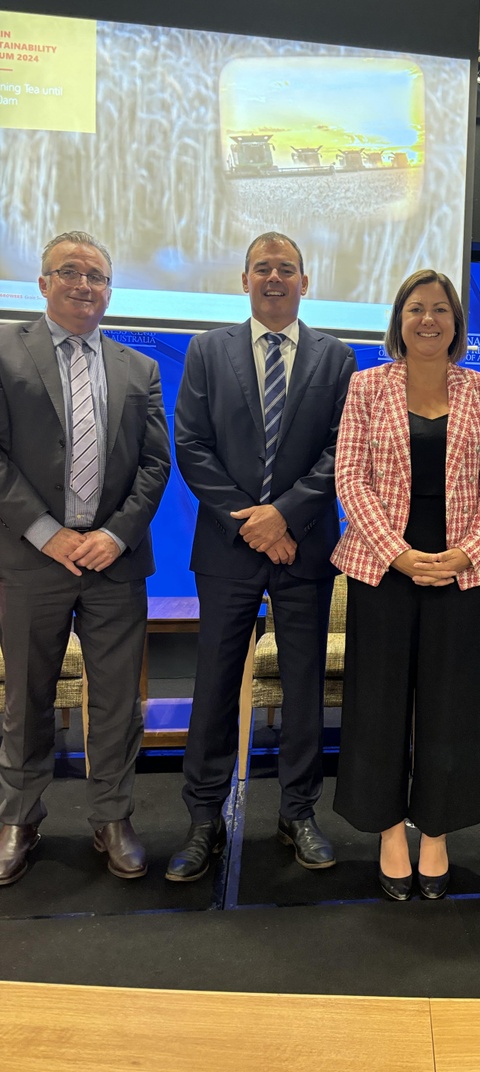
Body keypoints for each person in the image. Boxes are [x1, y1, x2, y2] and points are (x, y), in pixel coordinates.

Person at [167, 232, 356, 881]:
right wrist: (253, 521)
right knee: (215, 685)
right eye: (262, 268)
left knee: (303, 686)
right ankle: (203, 819)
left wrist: (285, 515)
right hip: (227, 547)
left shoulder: (337, 358)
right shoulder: (207, 351)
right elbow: (190, 444)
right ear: (244, 279)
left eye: (286, 269)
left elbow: (341, 450)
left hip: (304, 547)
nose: (274, 278)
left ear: (306, 281)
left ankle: (298, 812)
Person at [331, 269, 480, 901]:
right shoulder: (366, 386)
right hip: (384, 568)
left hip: (460, 572)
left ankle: (434, 833)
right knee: (377, 706)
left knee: (451, 707)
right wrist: (400, 554)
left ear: (457, 321)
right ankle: (387, 832)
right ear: (399, 320)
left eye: (440, 309)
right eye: (416, 309)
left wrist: (465, 551)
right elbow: (350, 478)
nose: (428, 319)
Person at [0, 230, 171, 885]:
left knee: (117, 703)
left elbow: (155, 465)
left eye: (96, 276)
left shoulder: (139, 368)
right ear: (42, 283)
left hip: (114, 564)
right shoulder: (5, 351)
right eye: (68, 272)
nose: (83, 284)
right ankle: (20, 817)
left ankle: (113, 816)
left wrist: (116, 535)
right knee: (27, 697)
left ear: (109, 290)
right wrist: (48, 532)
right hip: (32, 558)